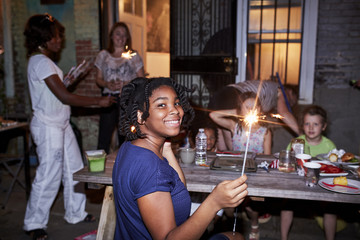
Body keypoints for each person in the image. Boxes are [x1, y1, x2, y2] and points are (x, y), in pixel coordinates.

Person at [113, 77, 248, 240]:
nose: (176, 110)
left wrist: (167, 149)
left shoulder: (131, 147)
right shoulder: (150, 168)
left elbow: (177, 188)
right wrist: (214, 202)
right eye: (162, 105)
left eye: (176, 103)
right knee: (237, 237)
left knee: (235, 236)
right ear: (140, 117)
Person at [23, 14, 115, 240]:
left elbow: (55, 92)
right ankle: (34, 223)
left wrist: (71, 77)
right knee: (49, 175)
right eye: (55, 37)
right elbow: (64, 96)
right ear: (44, 38)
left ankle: (75, 212)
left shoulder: (45, 61)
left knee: (74, 166)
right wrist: (98, 101)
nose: (59, 41)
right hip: (48, 126)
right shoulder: (40, 62)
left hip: (60, 123)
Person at [210, 92, 271, 240]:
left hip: (254, 173)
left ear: (260, 111)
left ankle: (254, 223)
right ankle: (233, 223)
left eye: (254, 107)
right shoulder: (235, 126)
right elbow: (213, 115)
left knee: (252, 206)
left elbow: (268, 158)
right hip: (235, 170)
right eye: (247, 107)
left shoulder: (265, 131)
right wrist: (238, 113)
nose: (251, 110)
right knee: (229, 207)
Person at [281, 105, 337, 240]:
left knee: (331, 209)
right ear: (302, 126)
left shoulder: (330, 146)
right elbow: (288, 162)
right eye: (307, 124)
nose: (311, 128)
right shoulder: (296, 142)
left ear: (323, 126)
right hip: (298, 183)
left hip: (321, 185)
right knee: (286, 205)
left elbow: (334, 168)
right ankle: (283, 238)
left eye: (315, 124)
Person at [95, 22, 145, 154]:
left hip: (127, 98)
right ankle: (100, 165)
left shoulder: (133, 55)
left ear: (127, 38)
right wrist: (107, 84)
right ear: (111, 36)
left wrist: (127, 83)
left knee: (126, 135)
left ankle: (126, 163)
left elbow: (142, 79)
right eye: (118, 34)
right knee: (104, 135)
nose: (121, 37)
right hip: (109, 98)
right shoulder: (103, 55)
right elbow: (98, 80)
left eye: (124, 35)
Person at [209, 80, 299, 151]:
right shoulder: (282, 91)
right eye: (292, 101)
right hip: (234, 95)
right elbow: (284, 113)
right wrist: (302, 133)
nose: (290, 104)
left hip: (221, 93)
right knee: (230, 147)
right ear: (290, 92)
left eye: (254, 108)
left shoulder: (270, 89)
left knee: (221, 135)